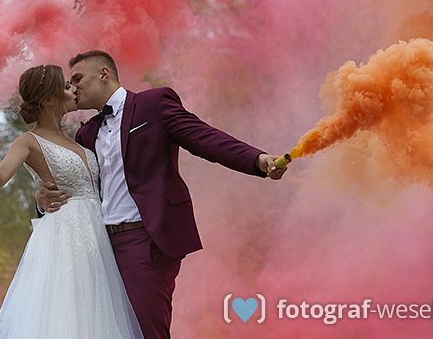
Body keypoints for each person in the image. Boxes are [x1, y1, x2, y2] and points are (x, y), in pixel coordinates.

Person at [35, 51, 289, 338]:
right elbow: (79, 189)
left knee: (146, 330)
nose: (72, 87)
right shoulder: (86, 135)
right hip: (100, 246)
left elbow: (205, 138)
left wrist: (257, 159)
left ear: (104, 74)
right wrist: (42, 203)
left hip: (146, 239)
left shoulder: (153, 104)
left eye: (78, 78)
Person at [0, 64, 143, 339]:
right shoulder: (28, 141)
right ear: (49, 99)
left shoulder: (80, 140)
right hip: (64, 241)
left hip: (99, 240)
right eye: (66, 86)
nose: (73, 89)